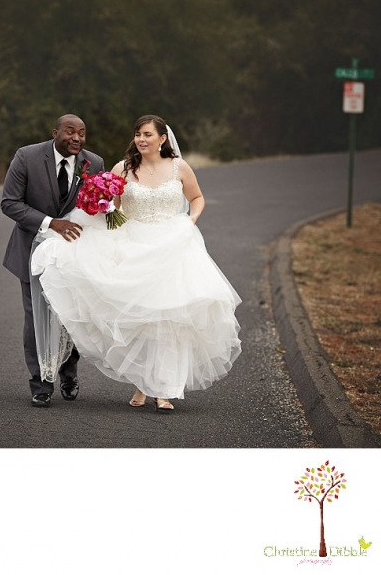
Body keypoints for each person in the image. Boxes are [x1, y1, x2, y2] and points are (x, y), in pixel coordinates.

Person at [31, 114, 241, 412]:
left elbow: (197, 198)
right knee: (140, 320)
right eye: (138, 134)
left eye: (147, 134)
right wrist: (98, 203)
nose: (141, 139)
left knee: (170, 319)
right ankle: (143, 383)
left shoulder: (179, 167)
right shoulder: (123, 168)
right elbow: (111, 209)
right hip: (133, 245)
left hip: (173, 246)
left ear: (162, 139)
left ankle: (165, 390)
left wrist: (190, 221)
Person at [1, 114, 105, 407]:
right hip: (32, 251)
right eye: (70, 131)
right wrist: (50, 223)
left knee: (72, 316)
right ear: (55, 133)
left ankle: (68, 374)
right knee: (35, 317)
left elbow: (96, 206)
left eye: (82, 133)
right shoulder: (27, 157)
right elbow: (9, 203)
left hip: (74, 254)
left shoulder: (93, 163)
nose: (77, 138)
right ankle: (41, 383)